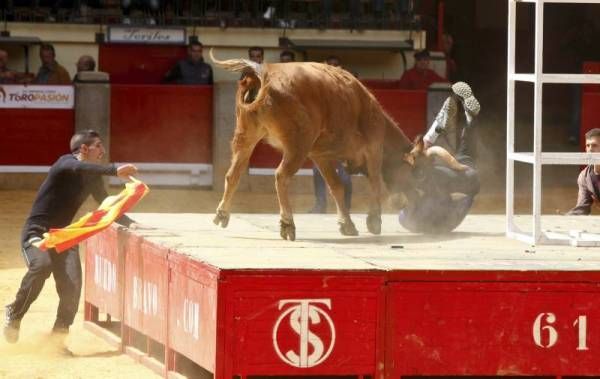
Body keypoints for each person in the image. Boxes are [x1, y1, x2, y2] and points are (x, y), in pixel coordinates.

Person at [3, 130, 138, 346]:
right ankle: (15, 312)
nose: (103, 151)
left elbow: (105, 203)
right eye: (98, 146)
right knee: (42, 265)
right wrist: (114, 170)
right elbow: (77, 166)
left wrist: (131, 223)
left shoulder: (92, 176)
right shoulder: (64, 163)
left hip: (64, 236)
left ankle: (58, 340)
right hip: (37, 232)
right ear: (84, 149)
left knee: (73, 287)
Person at [399, 81, 481, 233]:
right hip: (463, 178)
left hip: (464, 187)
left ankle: (461, 120)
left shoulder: (421, 192)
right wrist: (455, 165)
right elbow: (435, 151)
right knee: (463, 154)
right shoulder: (424, 177)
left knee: (465, 156)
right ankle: (463, 120)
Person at [310, 55, 353, 214]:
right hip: (324, 136)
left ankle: (345, 208)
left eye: (336, 65)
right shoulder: (318, 88)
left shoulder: (348, 86)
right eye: (330, 65)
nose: (333, 68)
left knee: (345, 174)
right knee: (318, 170)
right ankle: (320, 205)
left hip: (344, 137)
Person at [566, 128, 600, 215]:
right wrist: (566, 218)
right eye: (588, 146)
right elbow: (582, 209)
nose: (590, 149)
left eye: (594, 145)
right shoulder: (585, 176)